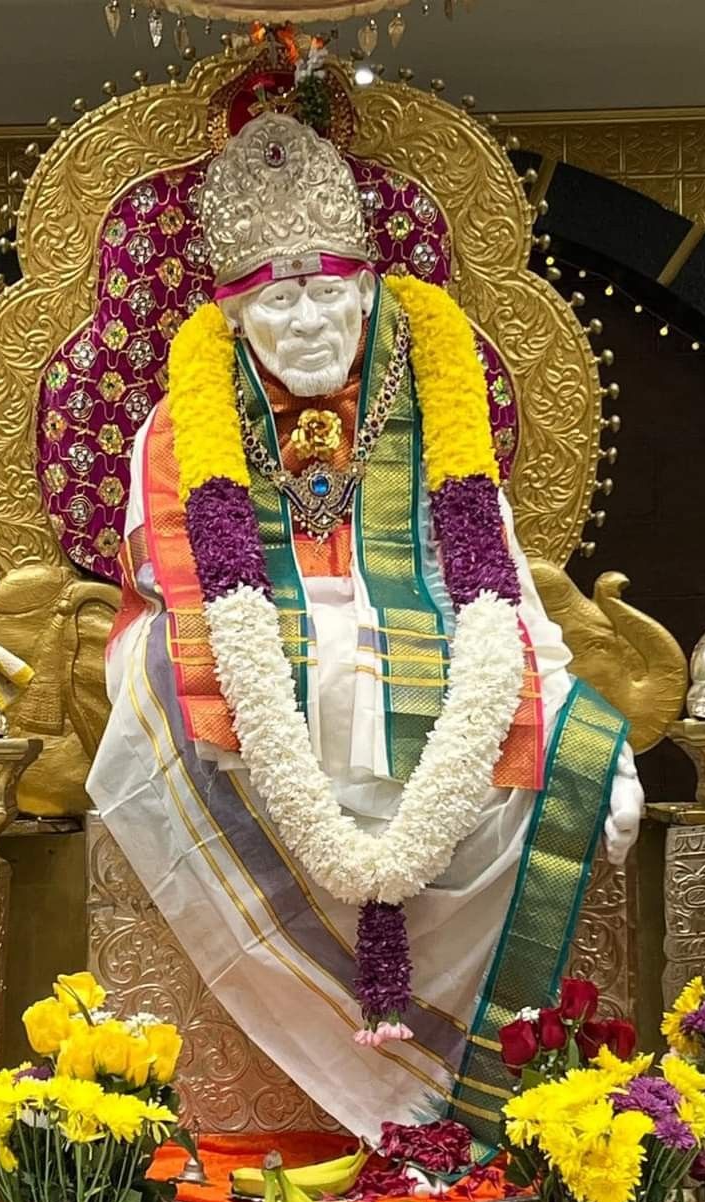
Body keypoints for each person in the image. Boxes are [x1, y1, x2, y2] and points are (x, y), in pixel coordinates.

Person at [89, 113, 642, 1143]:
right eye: (277, 299)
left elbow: (497, 581)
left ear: (370, 293)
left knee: (562, 752)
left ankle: (463, 1091)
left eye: (327, 292)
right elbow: (168, 588)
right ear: (235, 317)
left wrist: (567, 707)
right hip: (250, 690)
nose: (307, 323)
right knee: (168, 682)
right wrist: (306, 627)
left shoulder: (435, 405)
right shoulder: (179, 423)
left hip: (434, 681)